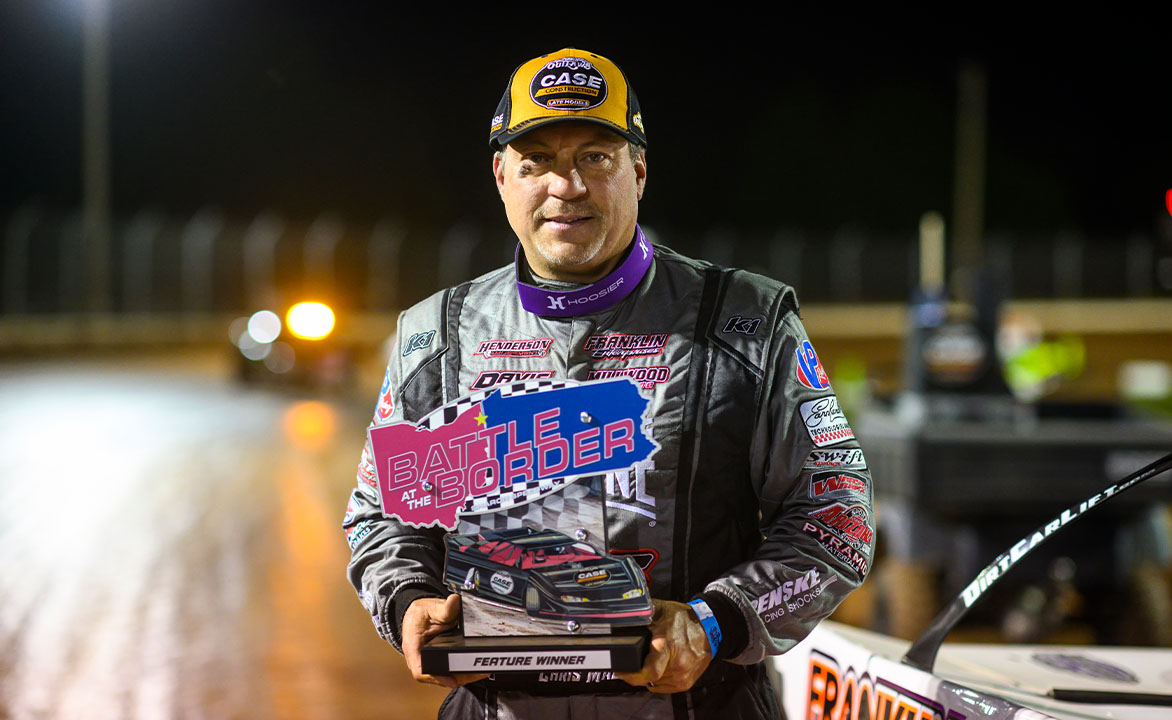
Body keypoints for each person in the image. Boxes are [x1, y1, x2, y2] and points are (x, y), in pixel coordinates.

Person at [343, 47, 875, 719]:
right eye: (537, 161)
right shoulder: (436, 337)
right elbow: (384, 517)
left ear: (639, 172)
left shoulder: (745, 323)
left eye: (595, 156)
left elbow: (836, 515)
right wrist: (408, 599)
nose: (567, 186)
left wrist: (715, 624)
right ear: (502, 176)